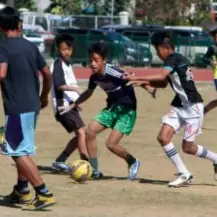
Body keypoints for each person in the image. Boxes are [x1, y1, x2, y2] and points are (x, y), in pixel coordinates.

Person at [0, 6, 56, 210]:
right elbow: (47, 73)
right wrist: (44, 96)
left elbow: (1, 73)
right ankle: (22, 189)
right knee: (24, 148)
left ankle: (44, 193)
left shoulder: (2, 48)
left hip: (17, 108)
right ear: (19, 24)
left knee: (17, 151)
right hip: (32, 105)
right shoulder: (30, 46)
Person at [124, 31, 217, 187]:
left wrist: (137, 77)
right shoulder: (173, 59)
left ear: (165, 47)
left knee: (188, 148)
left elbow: (161, 76)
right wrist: (144, 83)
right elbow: (164, 83)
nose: (157, 53)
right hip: (180, 105)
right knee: (163, 138)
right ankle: (184, 173)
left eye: (157, 49)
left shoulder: (173, 58)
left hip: (193, 107)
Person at [59, 42, 156, 180]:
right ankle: (95, 170)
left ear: (104, 60)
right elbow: (88, 92)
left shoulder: (113, 72)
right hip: (111, 108)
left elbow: (134, 78)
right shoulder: (94, 77)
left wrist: (149, 88)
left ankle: (132, 161)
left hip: (127, 111)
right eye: (91, 60)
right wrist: (73, 104)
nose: (92, 63)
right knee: (90, 131)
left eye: (96, 60)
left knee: (111, 144)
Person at [50, 34, 89, 173]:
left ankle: (60, 161)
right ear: (57, 50)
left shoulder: (67, 64)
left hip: (69, 105)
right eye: (63, 49)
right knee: (81, 131)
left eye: (69, 49)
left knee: (80, 134)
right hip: (62, 106)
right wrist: (77, 89)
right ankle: (86, 164)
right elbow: (59, 85)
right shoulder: (57, 64)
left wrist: (76, 102)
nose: (66, 51)